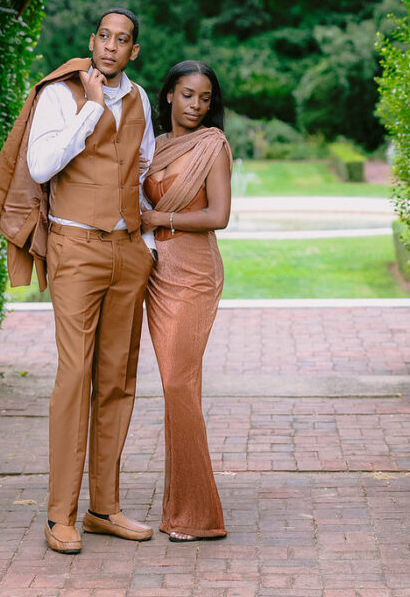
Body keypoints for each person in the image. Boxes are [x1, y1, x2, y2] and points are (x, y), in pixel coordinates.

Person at [0, 9, 156, 554]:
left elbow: (143, 170)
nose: (112, 47)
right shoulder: (61, 95)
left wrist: (147, 247)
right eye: (104, 37)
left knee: (117, 379)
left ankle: (103, 509)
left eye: (123, 40)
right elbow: (40, 166)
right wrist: (89, 109)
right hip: (76, 249)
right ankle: (58, 515)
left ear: (134, 51)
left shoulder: (140, 99)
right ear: (92, 42)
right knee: (74, 377)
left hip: (127, 253)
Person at [141, 60, 232, 542]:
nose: (198, 105)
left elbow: (219, 216)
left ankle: (199, 515)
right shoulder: (153, 147)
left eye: (205, 97)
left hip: (194, 274)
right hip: (157, 273)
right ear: (170, 95)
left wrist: (156, 216)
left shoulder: (213, 145)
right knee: (175, 388)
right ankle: (181, 505)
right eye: (188, 94)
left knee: (179, 385)